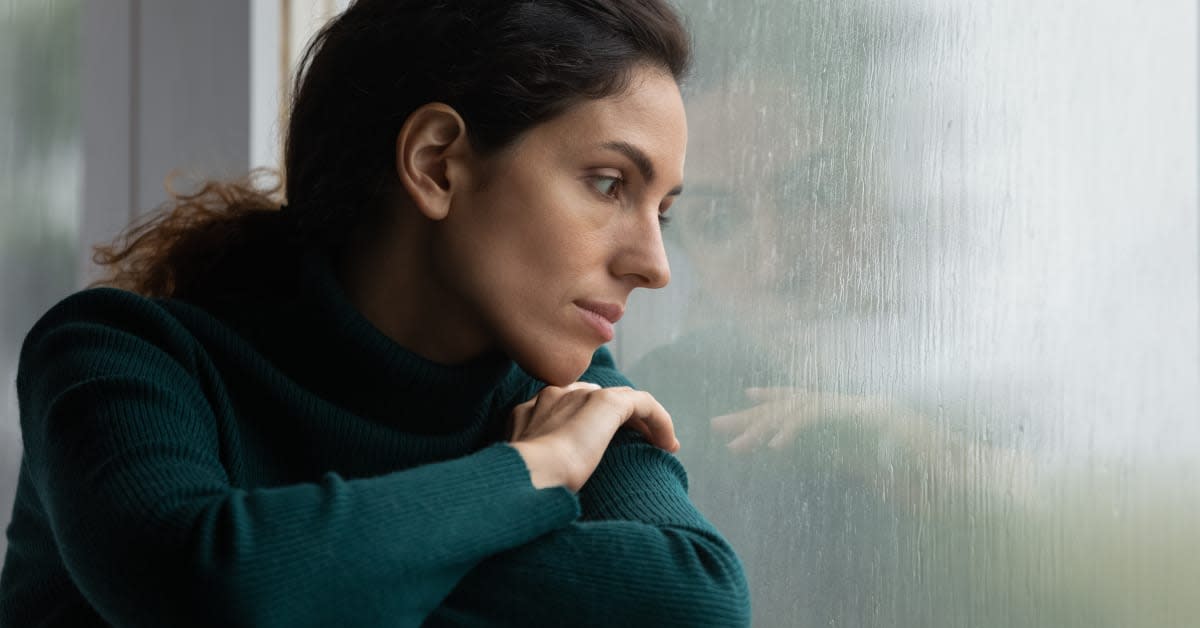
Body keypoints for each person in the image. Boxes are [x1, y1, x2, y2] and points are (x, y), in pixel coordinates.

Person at [0, 1, 751, 626]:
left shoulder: (569, 393)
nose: (653, 265)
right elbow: (216, 592)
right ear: (436, 164)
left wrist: (310, 575)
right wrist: (536, 470)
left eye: (666, 212)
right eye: (609, 183)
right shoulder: (116, 357)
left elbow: (693, 599)